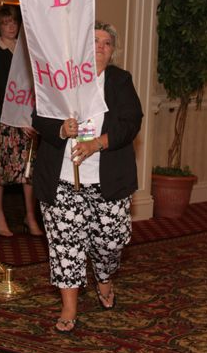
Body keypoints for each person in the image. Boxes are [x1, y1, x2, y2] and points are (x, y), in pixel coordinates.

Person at [32, 20, 143, 332]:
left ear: (112, 52)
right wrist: (59, 128)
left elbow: (131, 121)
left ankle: (104, 276)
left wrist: (98, 143)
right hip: (62, 180)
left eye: (106, 43)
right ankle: (69, 308)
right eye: (94, 41)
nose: (100, 47)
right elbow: (38, 117)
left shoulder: (120, 81)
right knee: (66, 245)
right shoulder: (61, 79)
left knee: (110, 242)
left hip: (108, 180)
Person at [0, 4, 43, 237]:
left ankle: (30, 216)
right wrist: (12, 117)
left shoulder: (27, 51)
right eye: (6, 23)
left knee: (28, 171)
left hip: (27, 121)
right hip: (1, 120)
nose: (11, 27)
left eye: (14, 22)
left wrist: (31, 119)